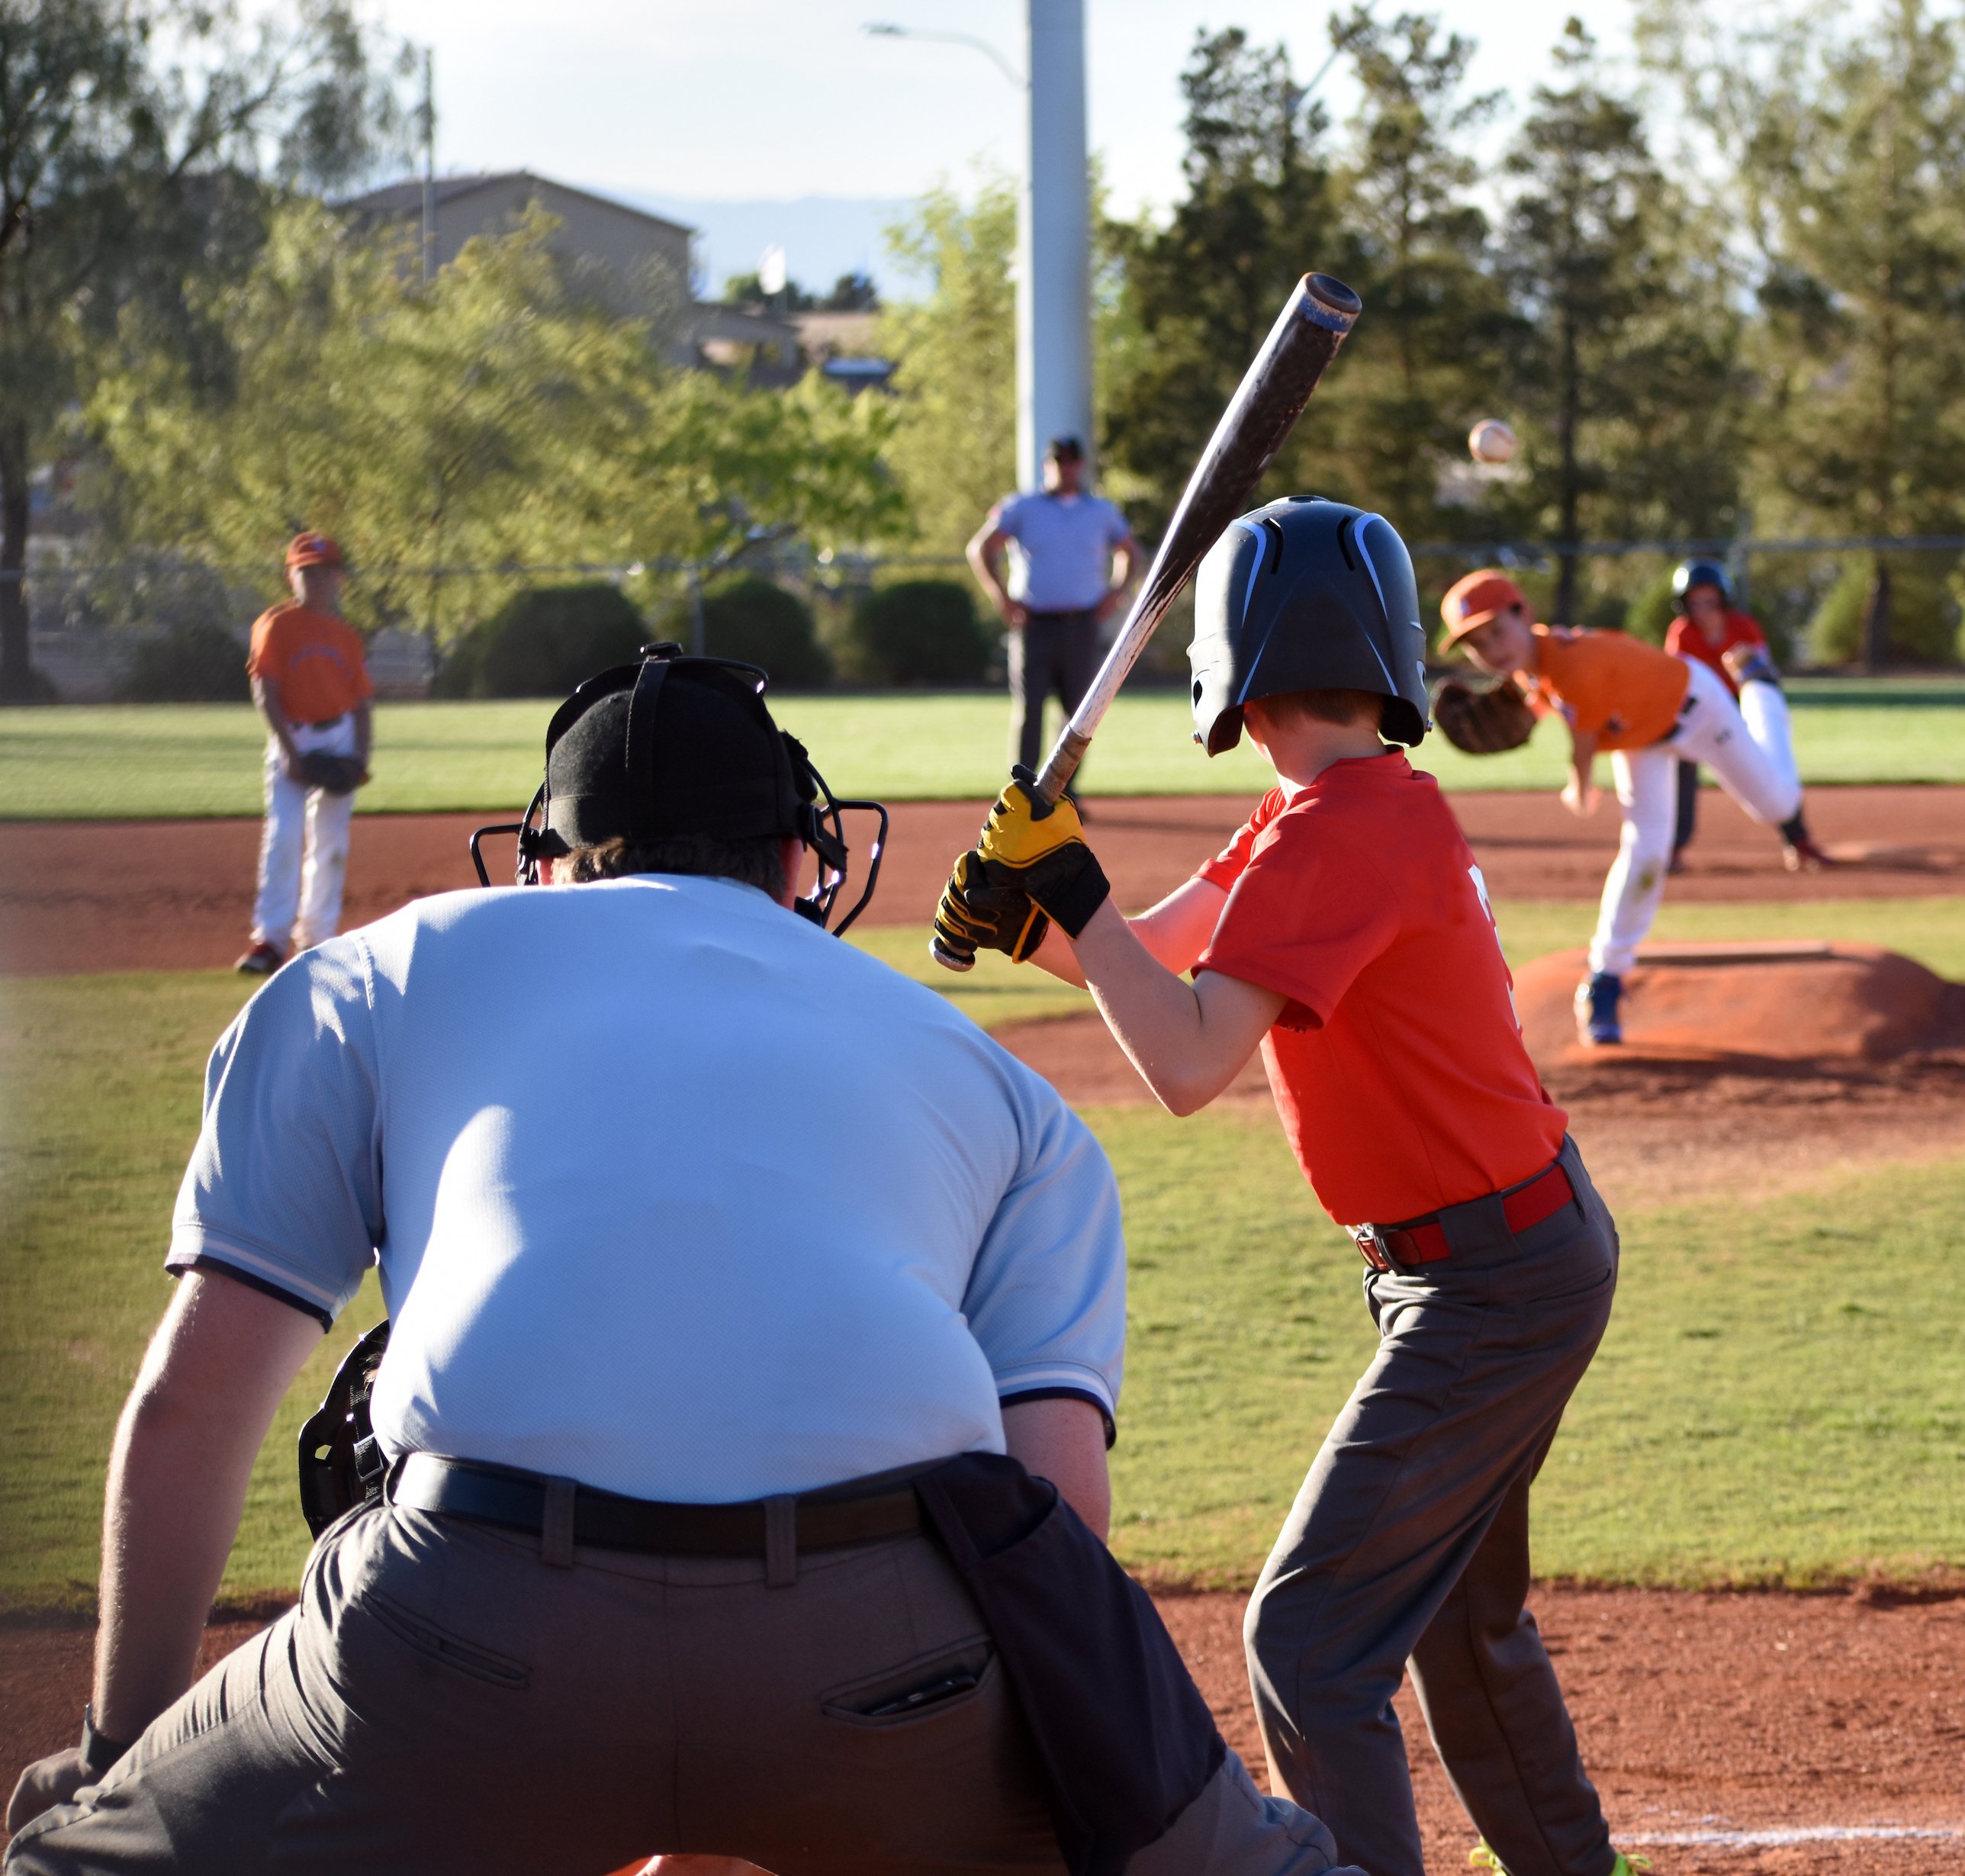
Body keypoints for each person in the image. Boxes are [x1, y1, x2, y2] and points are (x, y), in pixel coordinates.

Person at [8, 644, 1344, 1876]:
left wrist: (120, 1750)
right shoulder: (1000, 1088)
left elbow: (195, 1404)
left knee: (66, 1855)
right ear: (798, 859)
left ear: (545, 858)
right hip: (894, 1671)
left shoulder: (371, 971)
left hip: (457, 1635)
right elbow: (1058, 1508)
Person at [931, 497, 1646, 1876]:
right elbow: (1158, 959)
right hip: (1512, 1252)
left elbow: (1190, 1059)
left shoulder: (1335, 835)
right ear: (1379, 656)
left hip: (1489, 1282)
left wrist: (1068, 894)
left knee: (1309, 1640)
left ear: (1231, 678)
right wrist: (1039, 919)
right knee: (1454, 1618)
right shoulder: (1325, 814)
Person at [1436, 568, 1812, 1047]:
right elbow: (1550, 700)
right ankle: (1605, 978)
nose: (1492, 649)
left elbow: (1583, 739)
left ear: (1525, 614)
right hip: (1642, 738)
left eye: (1497, 631)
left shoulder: (1568, 663)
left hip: (1697, 706)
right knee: (1646, 851)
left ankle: (1760, 687)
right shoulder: (1534, 667)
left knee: (1777, 804)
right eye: (1477, 644)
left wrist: (1579, 786)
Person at [968, 436, 1137, 792]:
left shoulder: (1101, 511)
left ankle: (1063, 793)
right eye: (1059, 462)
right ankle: (1024, 792)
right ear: (1048, 466)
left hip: (1081, 624)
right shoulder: (1022, 507)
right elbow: (982, 548)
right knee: (1029, 710)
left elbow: (1130, 553)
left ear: (1082, 465)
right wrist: (1002, 597)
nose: (1066, 468)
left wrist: (1117, 594)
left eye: (1072, 461)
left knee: (1078, 714)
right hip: (1035, 624)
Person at [236, 532, 372, 975]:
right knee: (284, 835)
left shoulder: (346, 637)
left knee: (331, 842)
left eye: (325, 572)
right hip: (293, 737)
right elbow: (265, 692)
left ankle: (317, 937)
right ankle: (270, 940)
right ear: (291, 576)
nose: (316, 580)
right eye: (306, 572)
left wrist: (360, 755)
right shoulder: (275, 626)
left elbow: (360, 701)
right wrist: (291, 753)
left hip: (339, 736)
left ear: (339, 578)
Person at [1660, 559, 1833, 875]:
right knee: (1681, 763)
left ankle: (1799, 843)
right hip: (1700, 714)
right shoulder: (1682, 633)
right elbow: (1677, 683)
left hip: (1740, 708)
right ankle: (1672, 849)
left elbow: (1764, 677)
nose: (1703, 608)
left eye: (1709, 600)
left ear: (1723, 599)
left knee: (1772, 766)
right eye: (1694, 602)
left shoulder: (1743, 627)